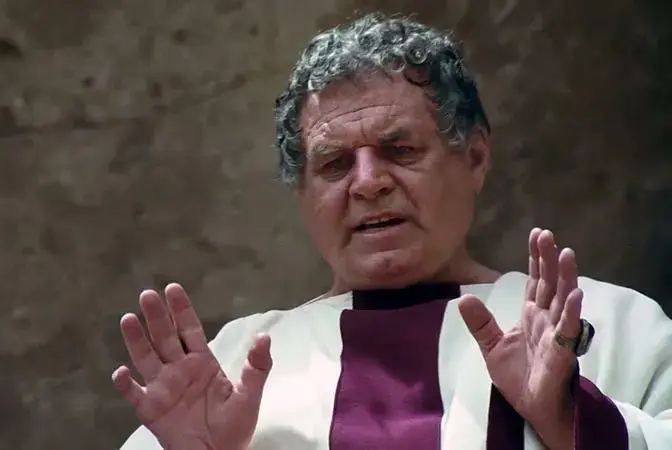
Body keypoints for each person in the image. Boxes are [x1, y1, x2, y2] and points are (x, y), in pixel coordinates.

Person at [112, 13, 672, 450]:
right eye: (335, 164)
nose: (368, 183)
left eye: (399, 150)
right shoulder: (232, 366)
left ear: (475, 156)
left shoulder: (610, 325)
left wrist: (572, 418)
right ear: (301, 191)